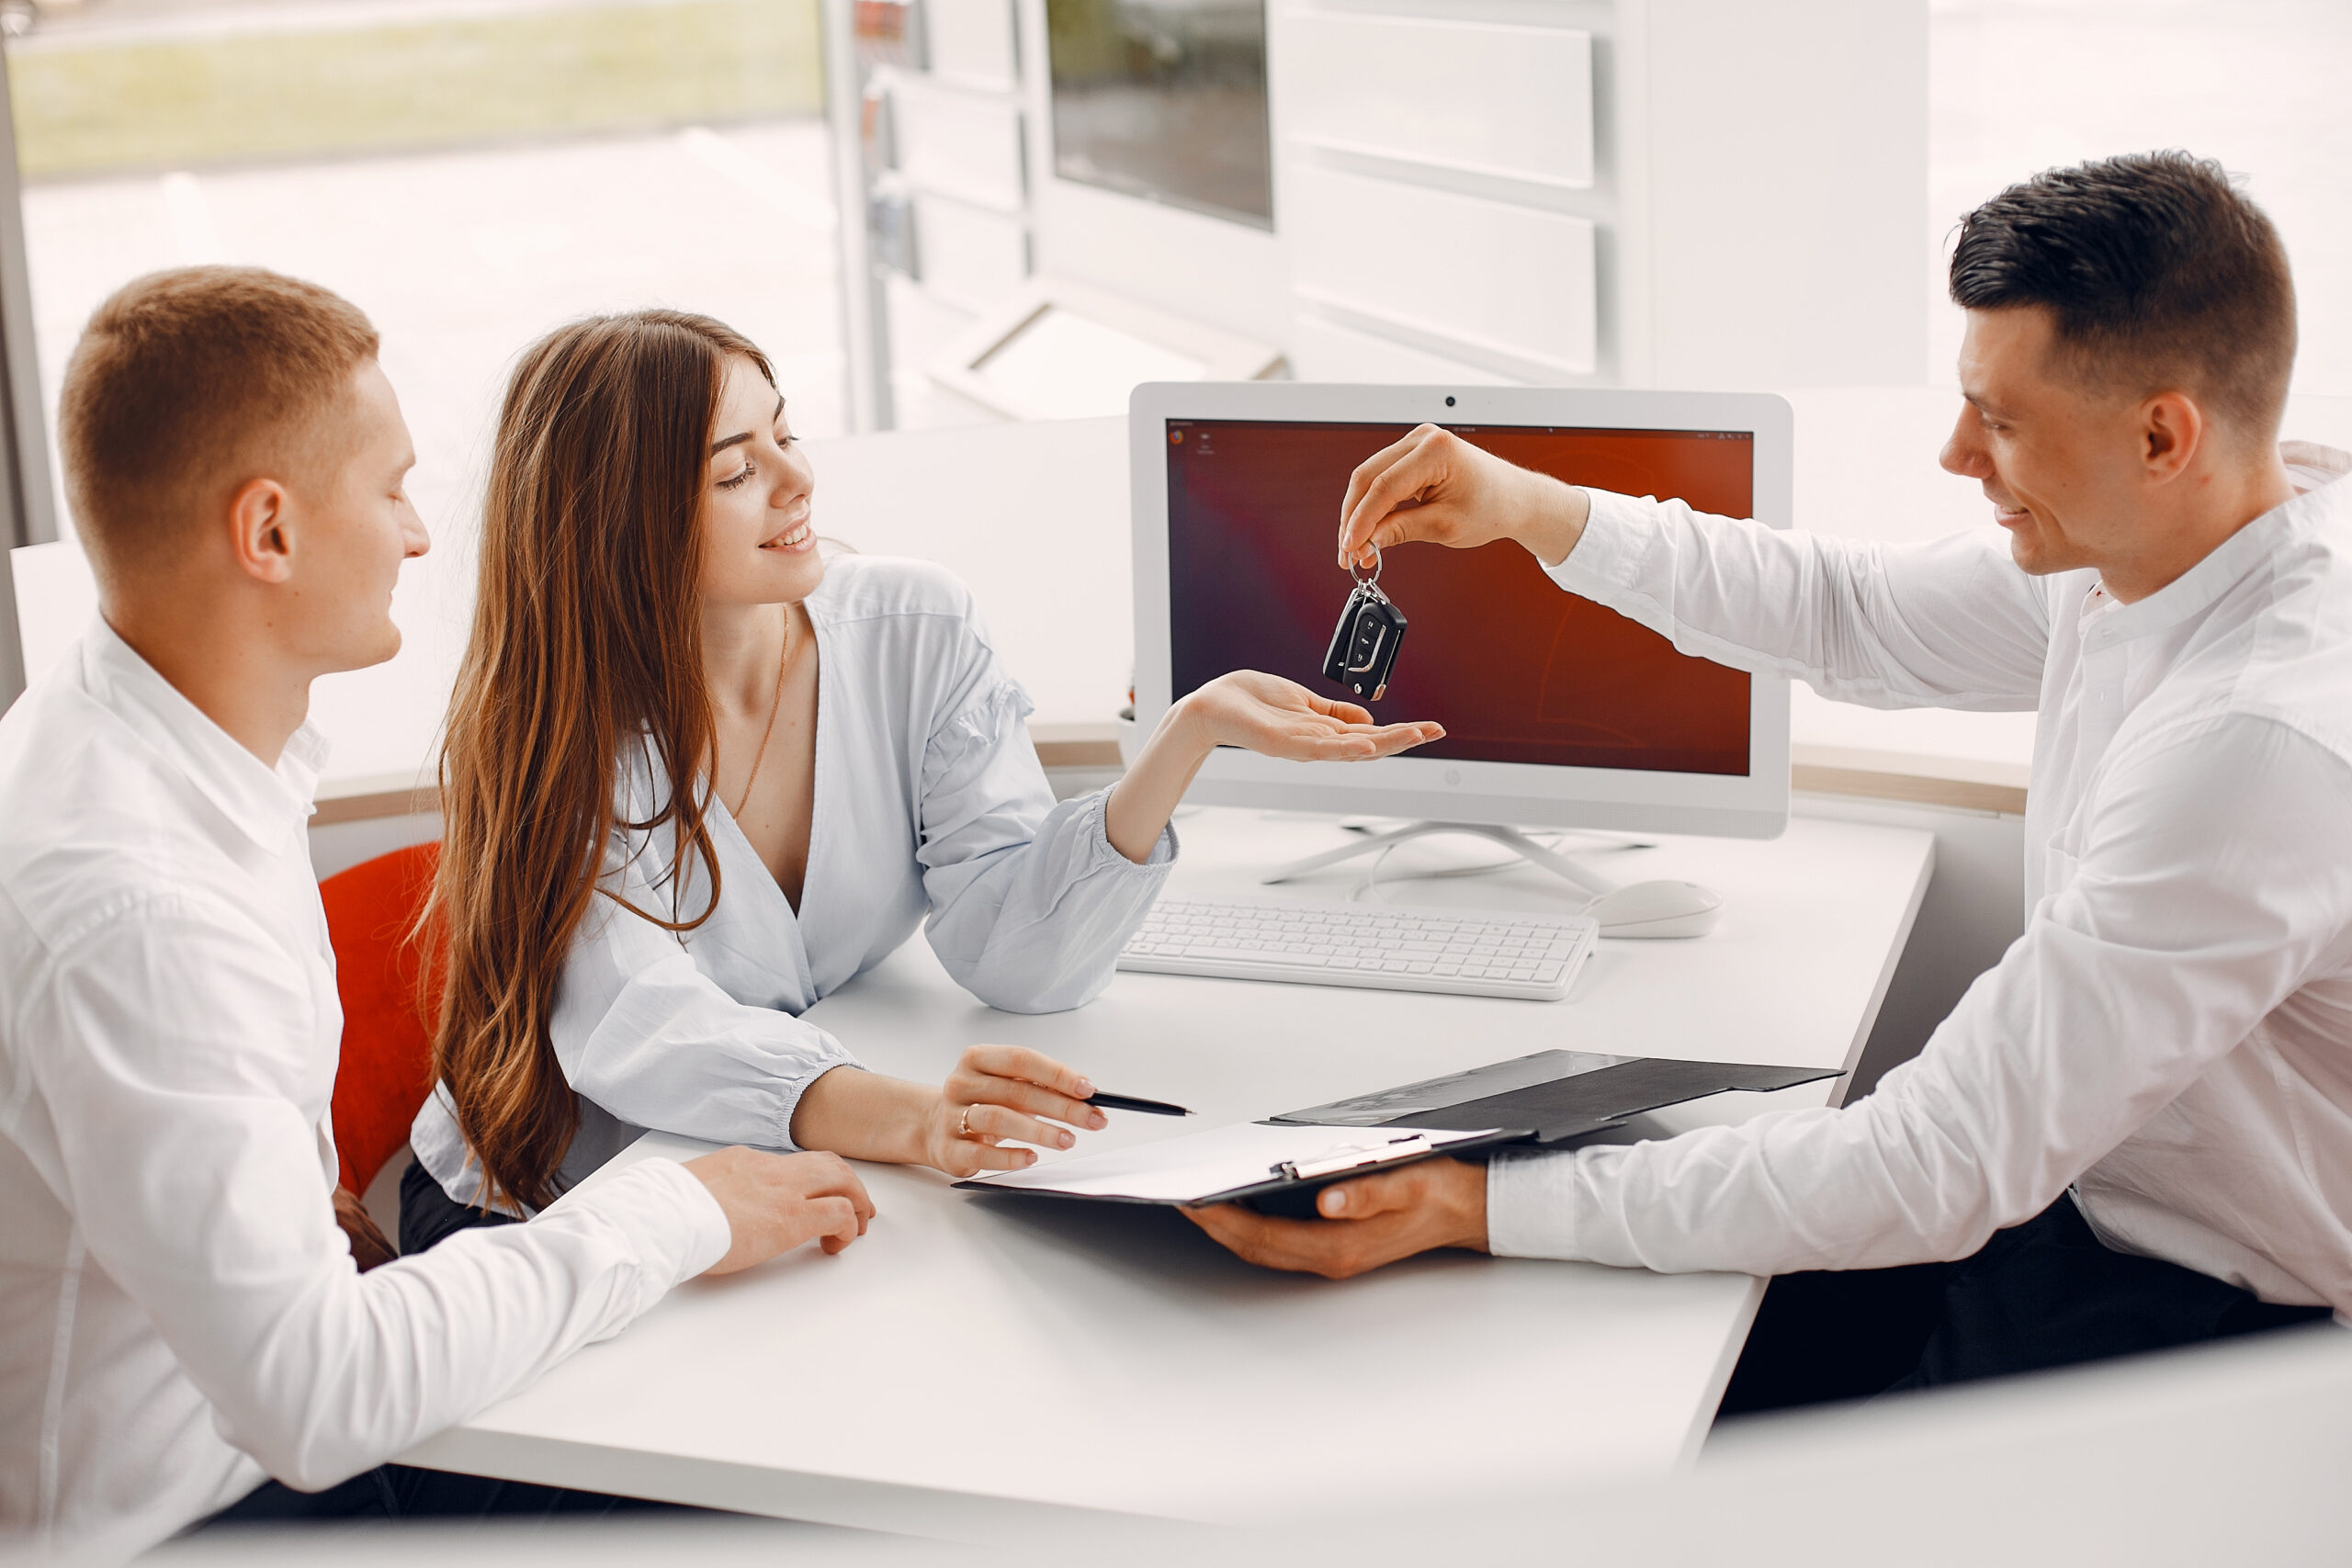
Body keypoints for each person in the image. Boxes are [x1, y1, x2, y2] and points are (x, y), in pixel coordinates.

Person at [1187, 152, 2350, 1404]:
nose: (1956, 452)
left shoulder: (2250, 746)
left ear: (2163, 435)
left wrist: (1475, 1202)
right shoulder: (2172, 542)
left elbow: (1941, 1158)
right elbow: (1851, 611)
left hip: (2221, 1319)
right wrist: (1532, 508)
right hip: (2075, 1203)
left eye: (2001, 421)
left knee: (1650, 1413)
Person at [0, 267, 890, 1554]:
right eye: (391, 490)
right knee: (806, 1480)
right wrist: (679, 1209)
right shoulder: (138, 909)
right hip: (200, 1517)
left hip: (253, 1423)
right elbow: (315, 1396)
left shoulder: (148, 736)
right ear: (269, 533)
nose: (419, 537)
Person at [400, 310, 1442, 1241]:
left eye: (785, 434)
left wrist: (1183, 740)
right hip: (542, 1211)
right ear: (618, 526)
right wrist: (917, 1119)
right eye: (734, 472)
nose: (798, 481)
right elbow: (647, 1027)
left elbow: (1016, 957)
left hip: (758, 1187)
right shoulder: (563, 731)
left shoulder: (914, 630)